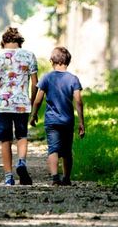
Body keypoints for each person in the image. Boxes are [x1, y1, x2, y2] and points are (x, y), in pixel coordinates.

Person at [0, 25, 38, 186]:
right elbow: (35, 84)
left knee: (5, 140)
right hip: (22, 104)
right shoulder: (29, 56)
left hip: (3, 105)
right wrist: (32, 103)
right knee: (22, 136)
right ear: (19, 43)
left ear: (3, 43)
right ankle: (21, 162)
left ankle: (9, 177)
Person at [30, 46, 85, 185]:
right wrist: (81, 122)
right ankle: (66, 178)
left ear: (52, 61)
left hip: (51, 121)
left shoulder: (47, 77)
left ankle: (55, 178)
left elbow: (38, 99)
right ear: (68, 61)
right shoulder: (73, 79)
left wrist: (33, 115)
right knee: (67, 151)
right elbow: (78, 101)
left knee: (53, 149)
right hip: (67, 121)